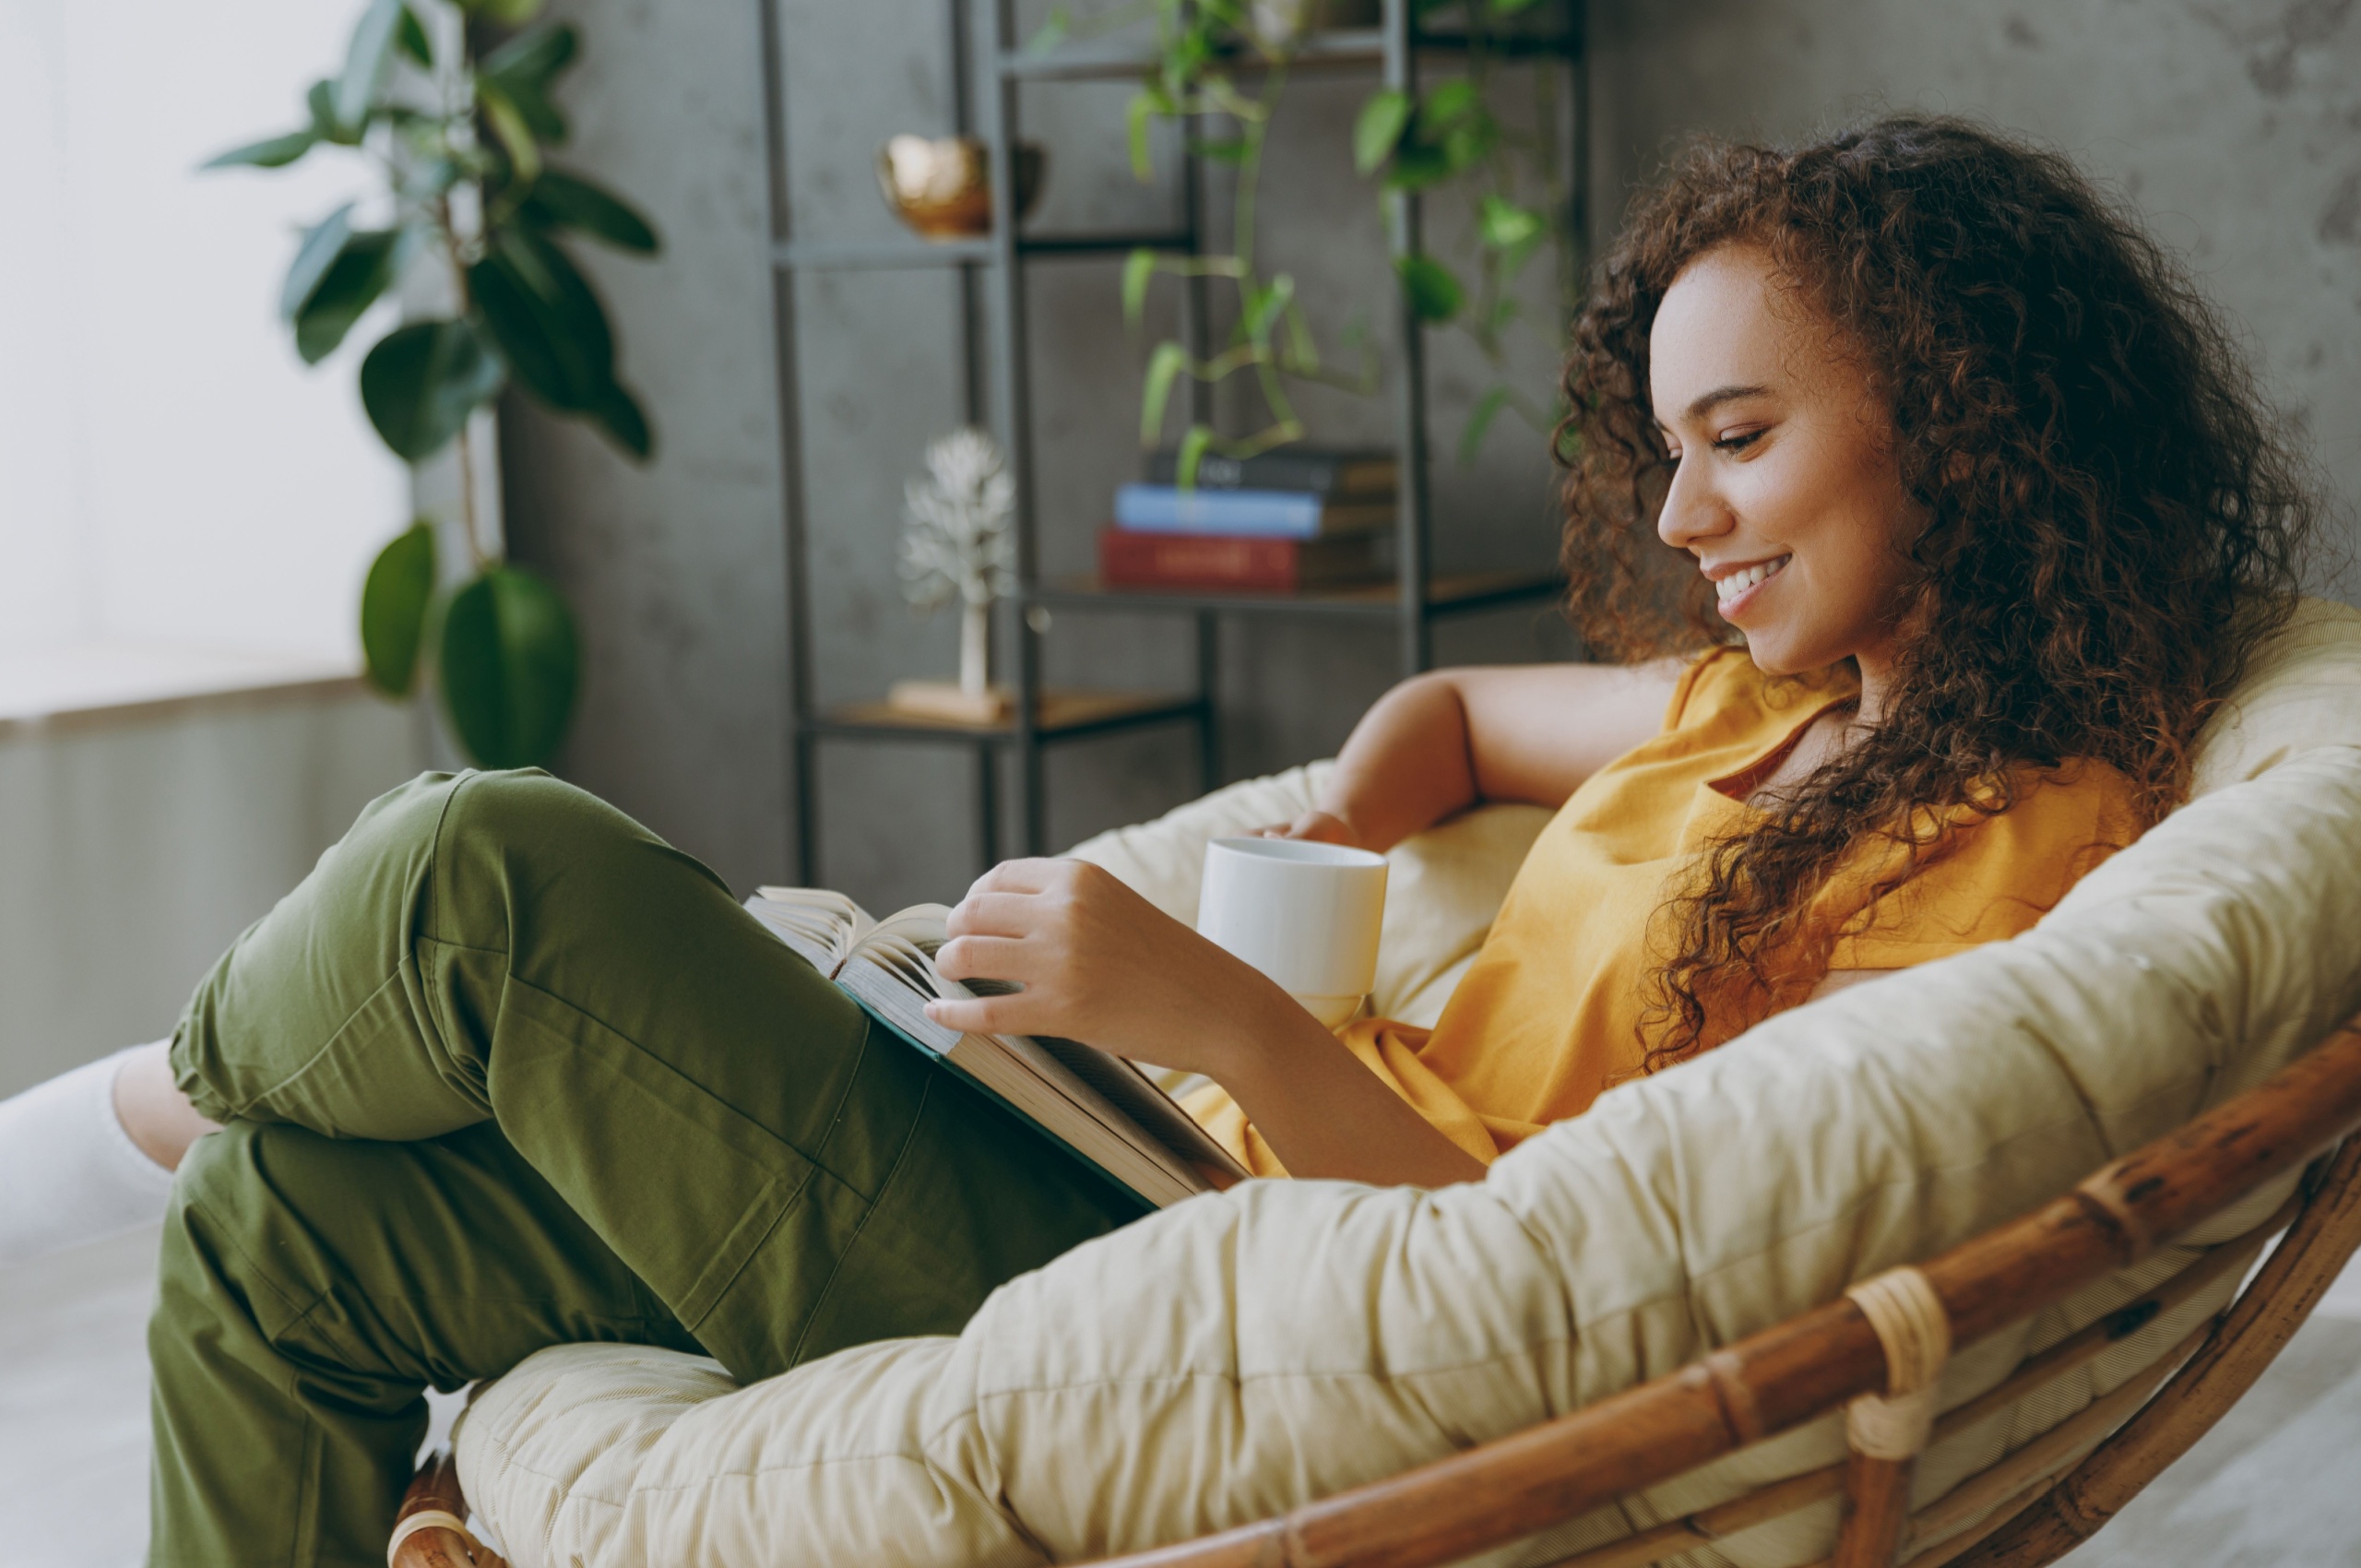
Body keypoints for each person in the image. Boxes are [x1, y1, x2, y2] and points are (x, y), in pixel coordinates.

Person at [0, 114, 2313, 1566]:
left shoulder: (2020, 849)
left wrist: (1208, 1000)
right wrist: (1350, 813)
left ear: (1965, 438)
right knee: (286, 1228)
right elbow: (1449, 712)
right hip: (1124, 1150)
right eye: (1660, 442)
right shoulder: (1756, 706)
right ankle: (197, 1136)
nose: (1679, 513)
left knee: (480, 868)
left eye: (1738, 438)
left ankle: (113, 1114)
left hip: (1218, 1289)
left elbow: (1581, 1272)